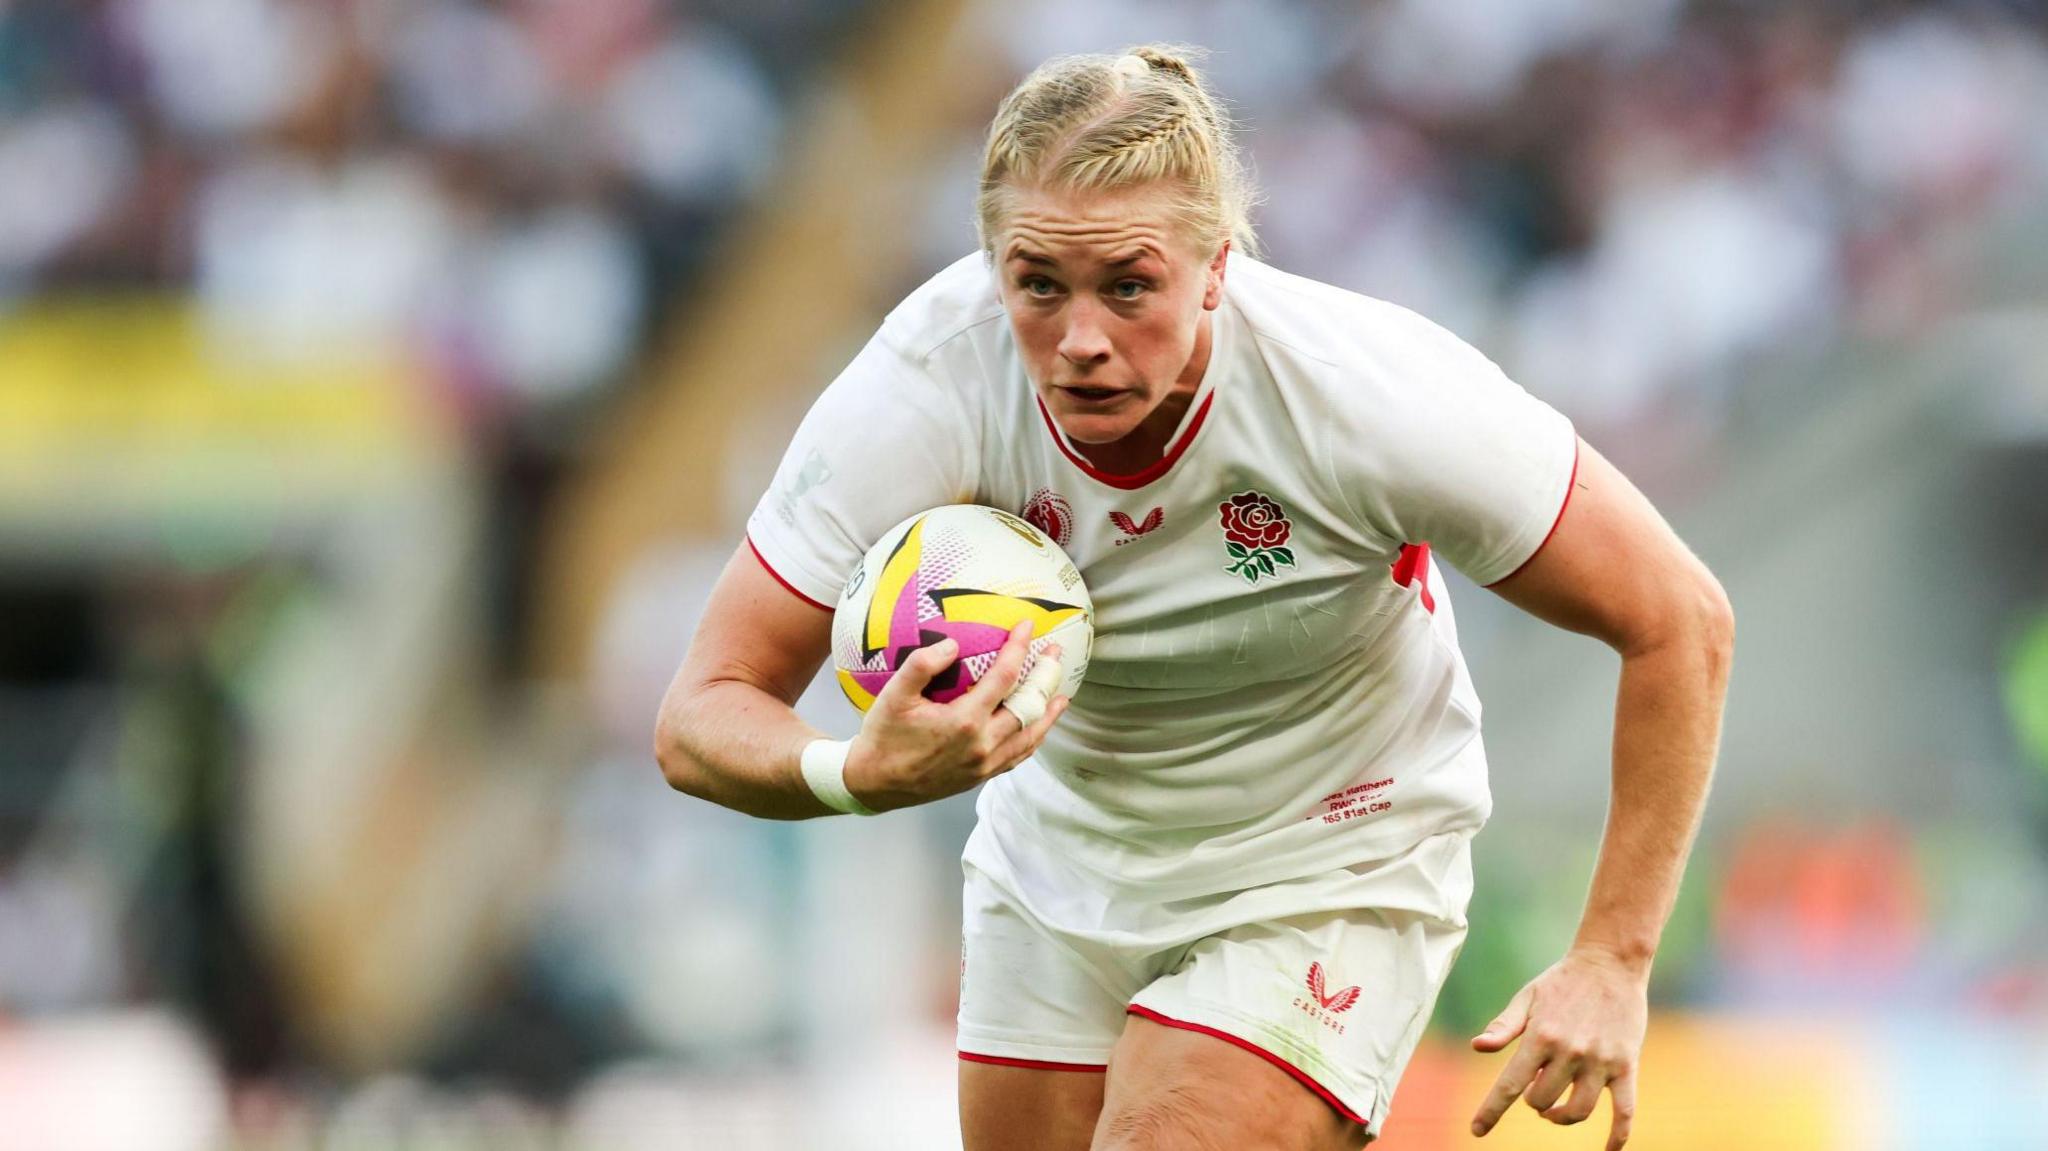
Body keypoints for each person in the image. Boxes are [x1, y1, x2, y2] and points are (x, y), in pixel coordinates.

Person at [655, 44, 1732, 1151]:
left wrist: (1611, 955)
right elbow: (702, 711)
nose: (1079, 339)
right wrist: (852, 773)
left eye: (1127, 285)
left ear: (1214, 266)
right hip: (1057, 866)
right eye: (1036, 284)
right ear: (991, 265)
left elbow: (1676, 619)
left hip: (1326, 858)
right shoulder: (926, 385)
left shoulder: (1367, 396)